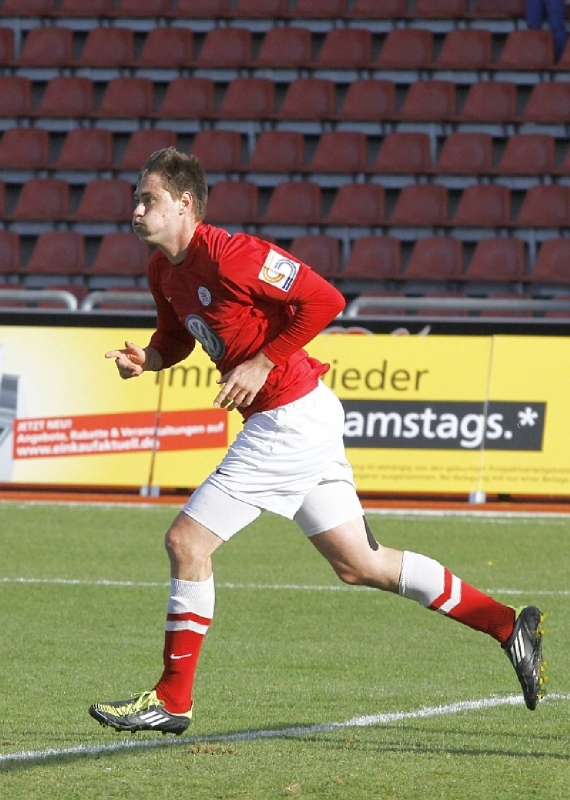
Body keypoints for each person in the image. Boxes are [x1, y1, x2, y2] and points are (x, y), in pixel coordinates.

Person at [89, 148, 546, 736]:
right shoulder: (163, 270)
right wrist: (150, 358)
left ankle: (172, 699)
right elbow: (177, 336)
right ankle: (508, 625)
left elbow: (325, 299)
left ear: (183, 203)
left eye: (147, 198)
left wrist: (262, 361)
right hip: (295, 419)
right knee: (361, 565)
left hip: (289, 419)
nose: (135, 209)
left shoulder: (233, 254)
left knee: (186, 541)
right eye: (135, 198)